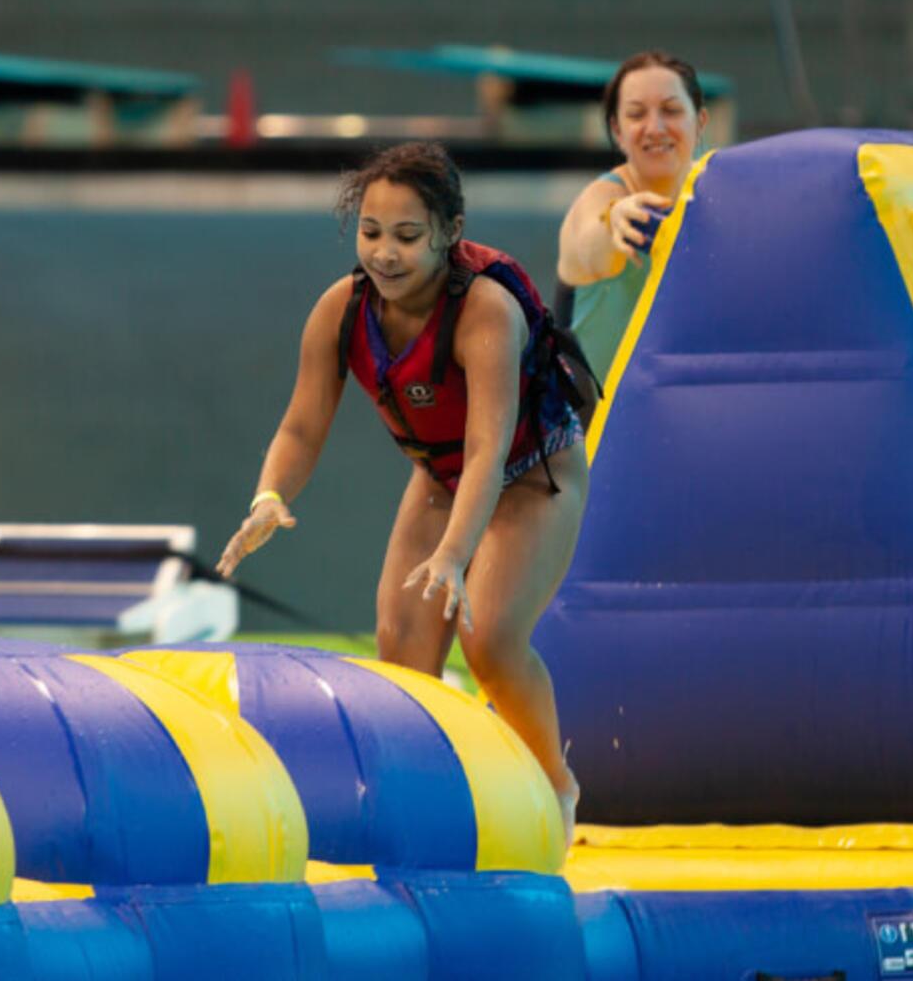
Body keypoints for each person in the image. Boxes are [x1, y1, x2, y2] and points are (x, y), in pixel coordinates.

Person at [218, 141, 592, 836]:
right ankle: (432, 803)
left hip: (535, 472)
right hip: (442, 476)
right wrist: (269, 496)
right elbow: (301, 427)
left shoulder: (485, 312)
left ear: (451, 232)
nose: (385, 253)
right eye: (370, 232)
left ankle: (555, 788)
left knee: (492, 637)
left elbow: (487, 448)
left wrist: (454, 556)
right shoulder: (341, 311)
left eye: (407, 236)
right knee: (403, 650)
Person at [558, 51, 708, 370]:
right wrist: (614, 221)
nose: (654, 128)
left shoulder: (717, 193)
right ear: (617, 131)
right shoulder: (599, 198)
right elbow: (590, 245)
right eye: (637, 115)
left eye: (671, 110)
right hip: (603, 416)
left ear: (700, 123)